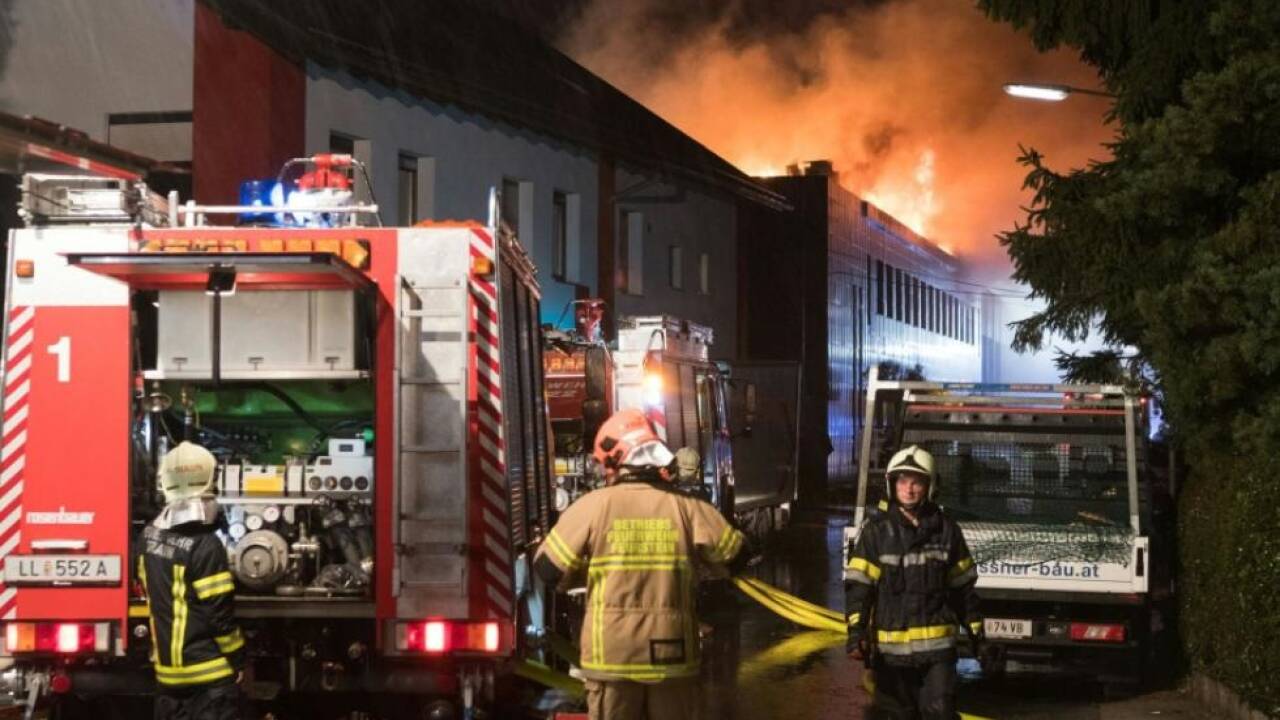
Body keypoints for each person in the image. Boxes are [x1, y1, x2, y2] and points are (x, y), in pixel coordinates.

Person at [534, 409, 749, 720]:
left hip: (611, 655)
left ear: (614, 461)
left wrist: (585, 571)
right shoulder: (689, 508)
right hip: (672, 656)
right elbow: (737, 557)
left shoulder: (592, 507)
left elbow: (547, 569)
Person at [845, 444, 981, 720]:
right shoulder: (876, 533)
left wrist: (978, 632)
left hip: (938, 654)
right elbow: (860, 588)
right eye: (902, 481)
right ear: (892, 485)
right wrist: (856, 634)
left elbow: (963, 589)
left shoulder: (947, 531)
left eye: (916, 482)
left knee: (940, 712)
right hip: (891, 656)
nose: (908, 489)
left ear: (929, 486)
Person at [138, 442, 246, 720]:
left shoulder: (148, 537)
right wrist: (239, 658)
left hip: (167, 679)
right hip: (209, 679)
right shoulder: (206, 546)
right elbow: (219, 615)